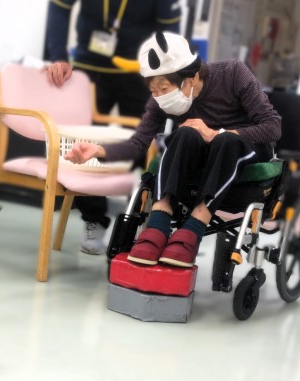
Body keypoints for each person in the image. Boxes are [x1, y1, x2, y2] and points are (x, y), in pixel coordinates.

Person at [64, 31, 281, 267]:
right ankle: (159, 222)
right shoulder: (161, 100)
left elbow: (273, 127)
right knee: (184, 134)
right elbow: (139, 142)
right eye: (153, 90)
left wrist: (216, 133)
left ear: (192, 78)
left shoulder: (232, 73)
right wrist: (99, 151)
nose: (159, 97)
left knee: (224, 141)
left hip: (246, 150)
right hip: (204, 156)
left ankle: (196, 225)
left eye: (164, 88)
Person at [45, 0, 181, 255]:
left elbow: (170, 32)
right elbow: (59, 7)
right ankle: (93, 218)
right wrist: (58, 56)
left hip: (140, 71)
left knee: (143, 145)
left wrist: (168, 74)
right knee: (84, 145)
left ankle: (139, 220)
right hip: (91, 67)